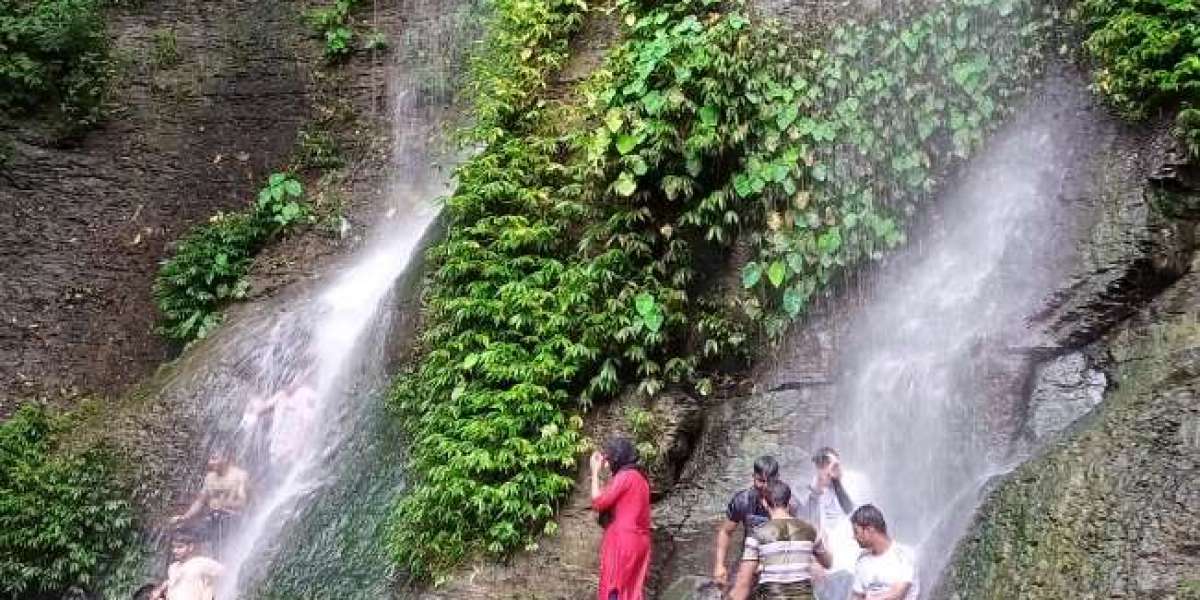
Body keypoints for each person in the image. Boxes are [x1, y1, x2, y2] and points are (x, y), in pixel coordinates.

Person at [714, 456, 802, 594]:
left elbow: (800, 541)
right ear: (753, 477)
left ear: (778, 478)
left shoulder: (790, 504)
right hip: (748, 559)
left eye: (770, 482)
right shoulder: (742, 501)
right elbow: (726, 532)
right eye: (760, 481)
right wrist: (719, 565)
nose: (765, 487)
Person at [732, 480, 832, 600]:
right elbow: (828, 563)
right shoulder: (810, 530)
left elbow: (743, 584)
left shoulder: (756, 535)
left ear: (764, 503)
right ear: (789, 502)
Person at [589, 436, 652, 600]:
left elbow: (598, 502)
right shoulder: (641, 478)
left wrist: (595, 472)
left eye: (609, 459)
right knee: (631, 591)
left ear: (618, 458)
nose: (608, 465)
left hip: (623, 541)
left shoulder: (626, 477)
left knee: (614, 588)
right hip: (640, 542)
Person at [170, 450, 249, 546]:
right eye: (210, 459)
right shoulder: (209, 477)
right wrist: (184, 517)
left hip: (233, 519)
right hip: (213, 518)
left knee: (218, 522)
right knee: (182, 531)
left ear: (225, 458)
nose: (210, 463)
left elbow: (242, 503)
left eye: (214, 459)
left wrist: (223, 504)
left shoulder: (240, 476)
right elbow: (200, 501)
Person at [849, 505, 918, 600]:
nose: (854, 537)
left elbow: (897, 594)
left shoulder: (904, 554)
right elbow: (856, 596)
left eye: (856, 532)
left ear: (869, 530)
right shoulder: (862, 561)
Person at [148, 531, 224, 600]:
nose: (175, 551)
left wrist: (209, 590)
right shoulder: (173, 567)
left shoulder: (201, 563)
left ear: (190, 547)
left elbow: (224, 573)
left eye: (180, 547)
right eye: (173, 547)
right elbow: (172, 585)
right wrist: (161, 589)